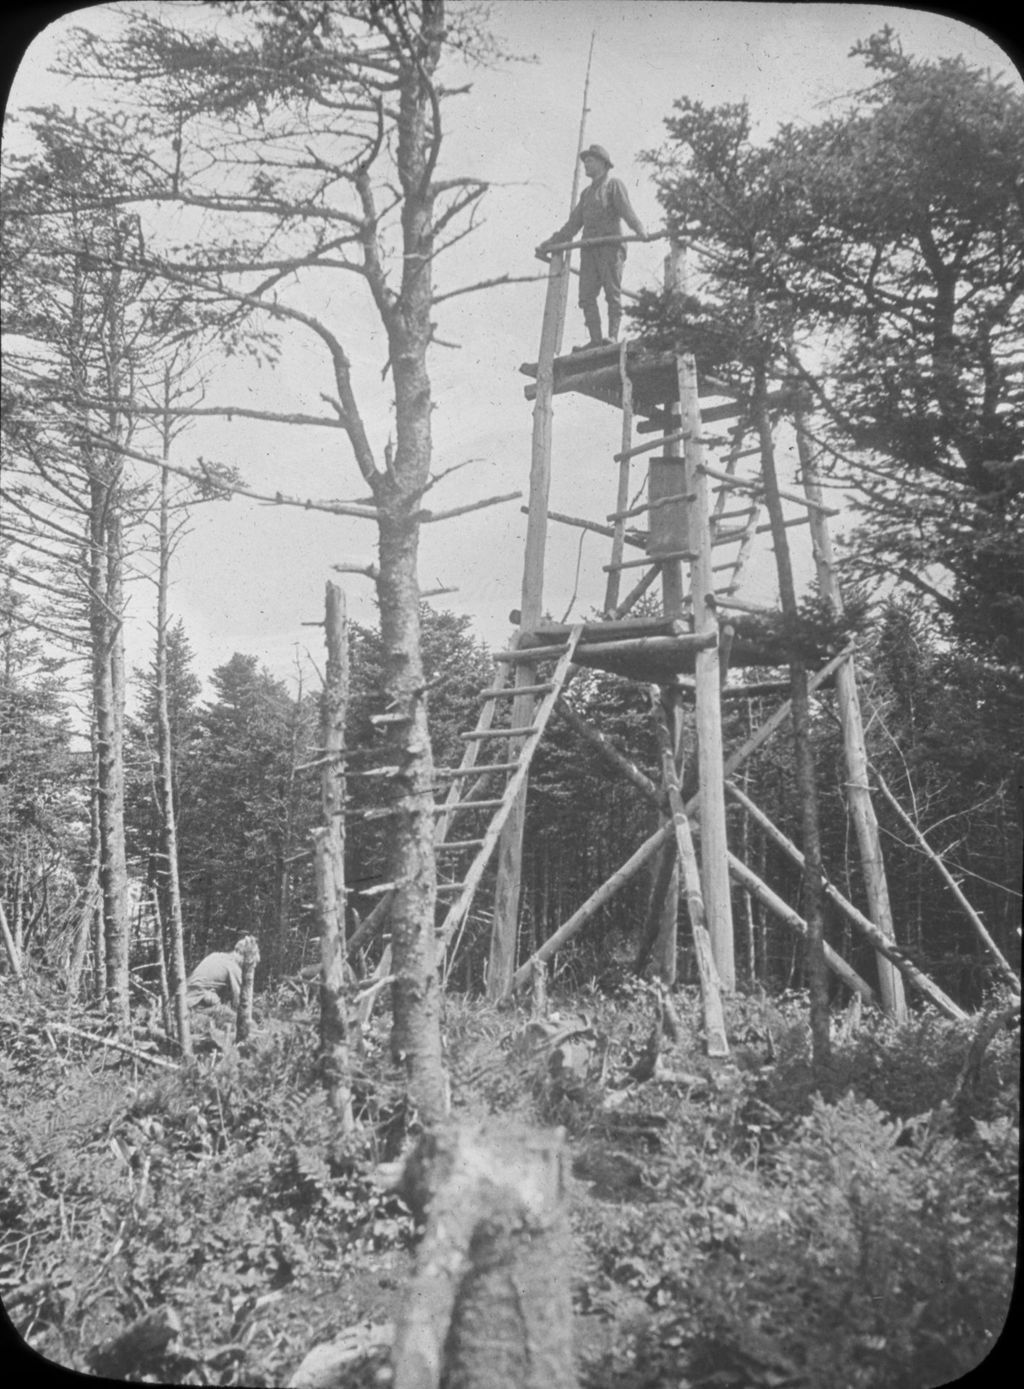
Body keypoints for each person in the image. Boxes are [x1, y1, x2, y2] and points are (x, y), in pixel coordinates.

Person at [536, 144, 647, 350]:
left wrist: (640, 229)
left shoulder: (613, 186)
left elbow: (627, 211)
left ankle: (612, 336)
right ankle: (596, 340)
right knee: (586, 296)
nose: (586, 164)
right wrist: (550, 243)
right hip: (589, 250)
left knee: (612, 292)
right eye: (585, 161)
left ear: (603, 164)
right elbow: (573, 225)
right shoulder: (586, 194)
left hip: (610, 248)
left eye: (591, 160)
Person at [185, 940, 246, 1009]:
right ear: (239, 952)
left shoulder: (216, 955)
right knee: (227, 1015)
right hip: (199, 998)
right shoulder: (233, 965)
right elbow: (239, 998)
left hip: (186, 995)